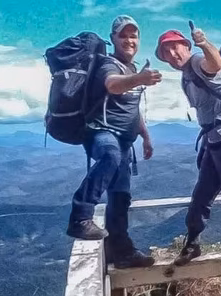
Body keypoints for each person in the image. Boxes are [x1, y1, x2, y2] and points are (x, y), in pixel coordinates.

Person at [154, 24, 221, 273]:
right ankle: (192, 244)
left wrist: (203, 43)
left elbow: (216, 63)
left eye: (175, 48)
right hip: (213, 140)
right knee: (201, 197)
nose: (172, 55)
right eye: (166, 52)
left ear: (186, 46)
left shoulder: (197, 62)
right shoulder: (186, 75)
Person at [67, 15, 162, 269]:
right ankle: (80, 217)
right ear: (113, 39)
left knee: (121, 197)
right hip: (101, 133)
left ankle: (122, 251)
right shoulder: (107, 64)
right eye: (123, 35)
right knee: (110, 156)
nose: (129, 40)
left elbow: (132, 109)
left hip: (125, 140)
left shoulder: (132, 69)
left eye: (133, 35)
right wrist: (139, 79)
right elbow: (112, 86)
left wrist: (145, 136)